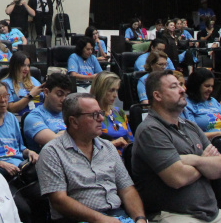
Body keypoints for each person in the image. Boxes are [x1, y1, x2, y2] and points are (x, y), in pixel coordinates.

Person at [132, 70, 221, 223]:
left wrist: (193, 160)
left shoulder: (190, 126)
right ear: (157, 96)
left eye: (181, 85)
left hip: (211, 213)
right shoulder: (150, 130)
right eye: (174, 86)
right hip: (172, 215)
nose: (183, 90)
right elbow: (177, 178)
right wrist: (204, 161)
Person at [38, 92, 149, 223]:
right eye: (94, 115)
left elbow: (127, 189)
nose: (101, 119)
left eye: (100, 113)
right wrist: (102, 219)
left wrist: (140, 218)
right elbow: (59, 201)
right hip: (77, 219)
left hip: (117, 215)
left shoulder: (108, 147)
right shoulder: (52, 152)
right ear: (74, 122)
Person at [23, 72, 73, 153]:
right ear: (46, 92)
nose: (64, 99)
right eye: (59, 94)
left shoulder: (71, 113)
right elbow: (55, 142)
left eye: (67, 95)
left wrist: (61, 134)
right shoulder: (34, 117)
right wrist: (73, 133)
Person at [92, 72, 133, 153]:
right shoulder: (91, 114)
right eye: (111, 90)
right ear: (101, 90)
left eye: (117, 90)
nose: (115, 95)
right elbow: (89, 147)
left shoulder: (119, 112)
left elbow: (131, 140)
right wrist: (113, 144)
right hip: (104, 159)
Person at [2, 51, 43, 115]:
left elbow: (44, 99)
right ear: (15, 66)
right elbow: (11, 108)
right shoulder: (6, 84)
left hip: (41, 112)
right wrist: (30, 95)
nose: (26, 69)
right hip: (22, 116)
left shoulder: (33, 80)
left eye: (28, 65)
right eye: (23, 65)